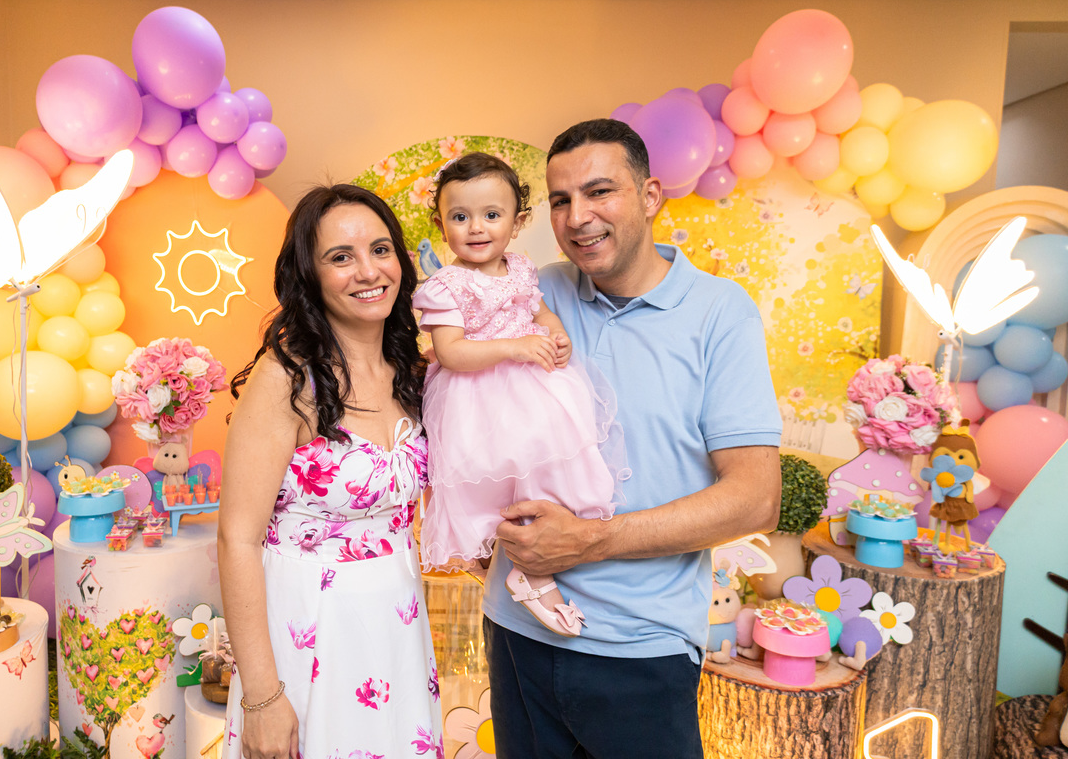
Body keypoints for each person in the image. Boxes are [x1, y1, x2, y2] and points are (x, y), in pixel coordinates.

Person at [482, 119, 783, 758]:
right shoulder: (536, 292)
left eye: (599, 192)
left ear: (650, 197)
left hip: (641, 648)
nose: (577, 218)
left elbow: (756, 499)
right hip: (518, 632)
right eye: (561, 200)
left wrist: (589, 540)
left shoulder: (720, 313)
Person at [218, 184, 443, 759]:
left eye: (380, 249)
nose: (368, 271)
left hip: (396, 627)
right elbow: (237, 540)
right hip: (308, 631)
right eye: (341, 257)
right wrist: (262, 697)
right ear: (309, 276)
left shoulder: (413, 371)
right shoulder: (287, 379)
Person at [414, 152, 624, 638]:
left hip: (530, 387)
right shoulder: (446, 285)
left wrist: (555, 335)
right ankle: (522, 570)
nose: (476, 227)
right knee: (495, 488)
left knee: (548, 469)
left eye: (492, 214)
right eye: (460, 217)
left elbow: (540, 313)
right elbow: (450, 351)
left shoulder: (523, 270)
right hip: (476, 396)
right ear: (441, 224)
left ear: (518, 221)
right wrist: (514, 347)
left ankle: (536, 565)